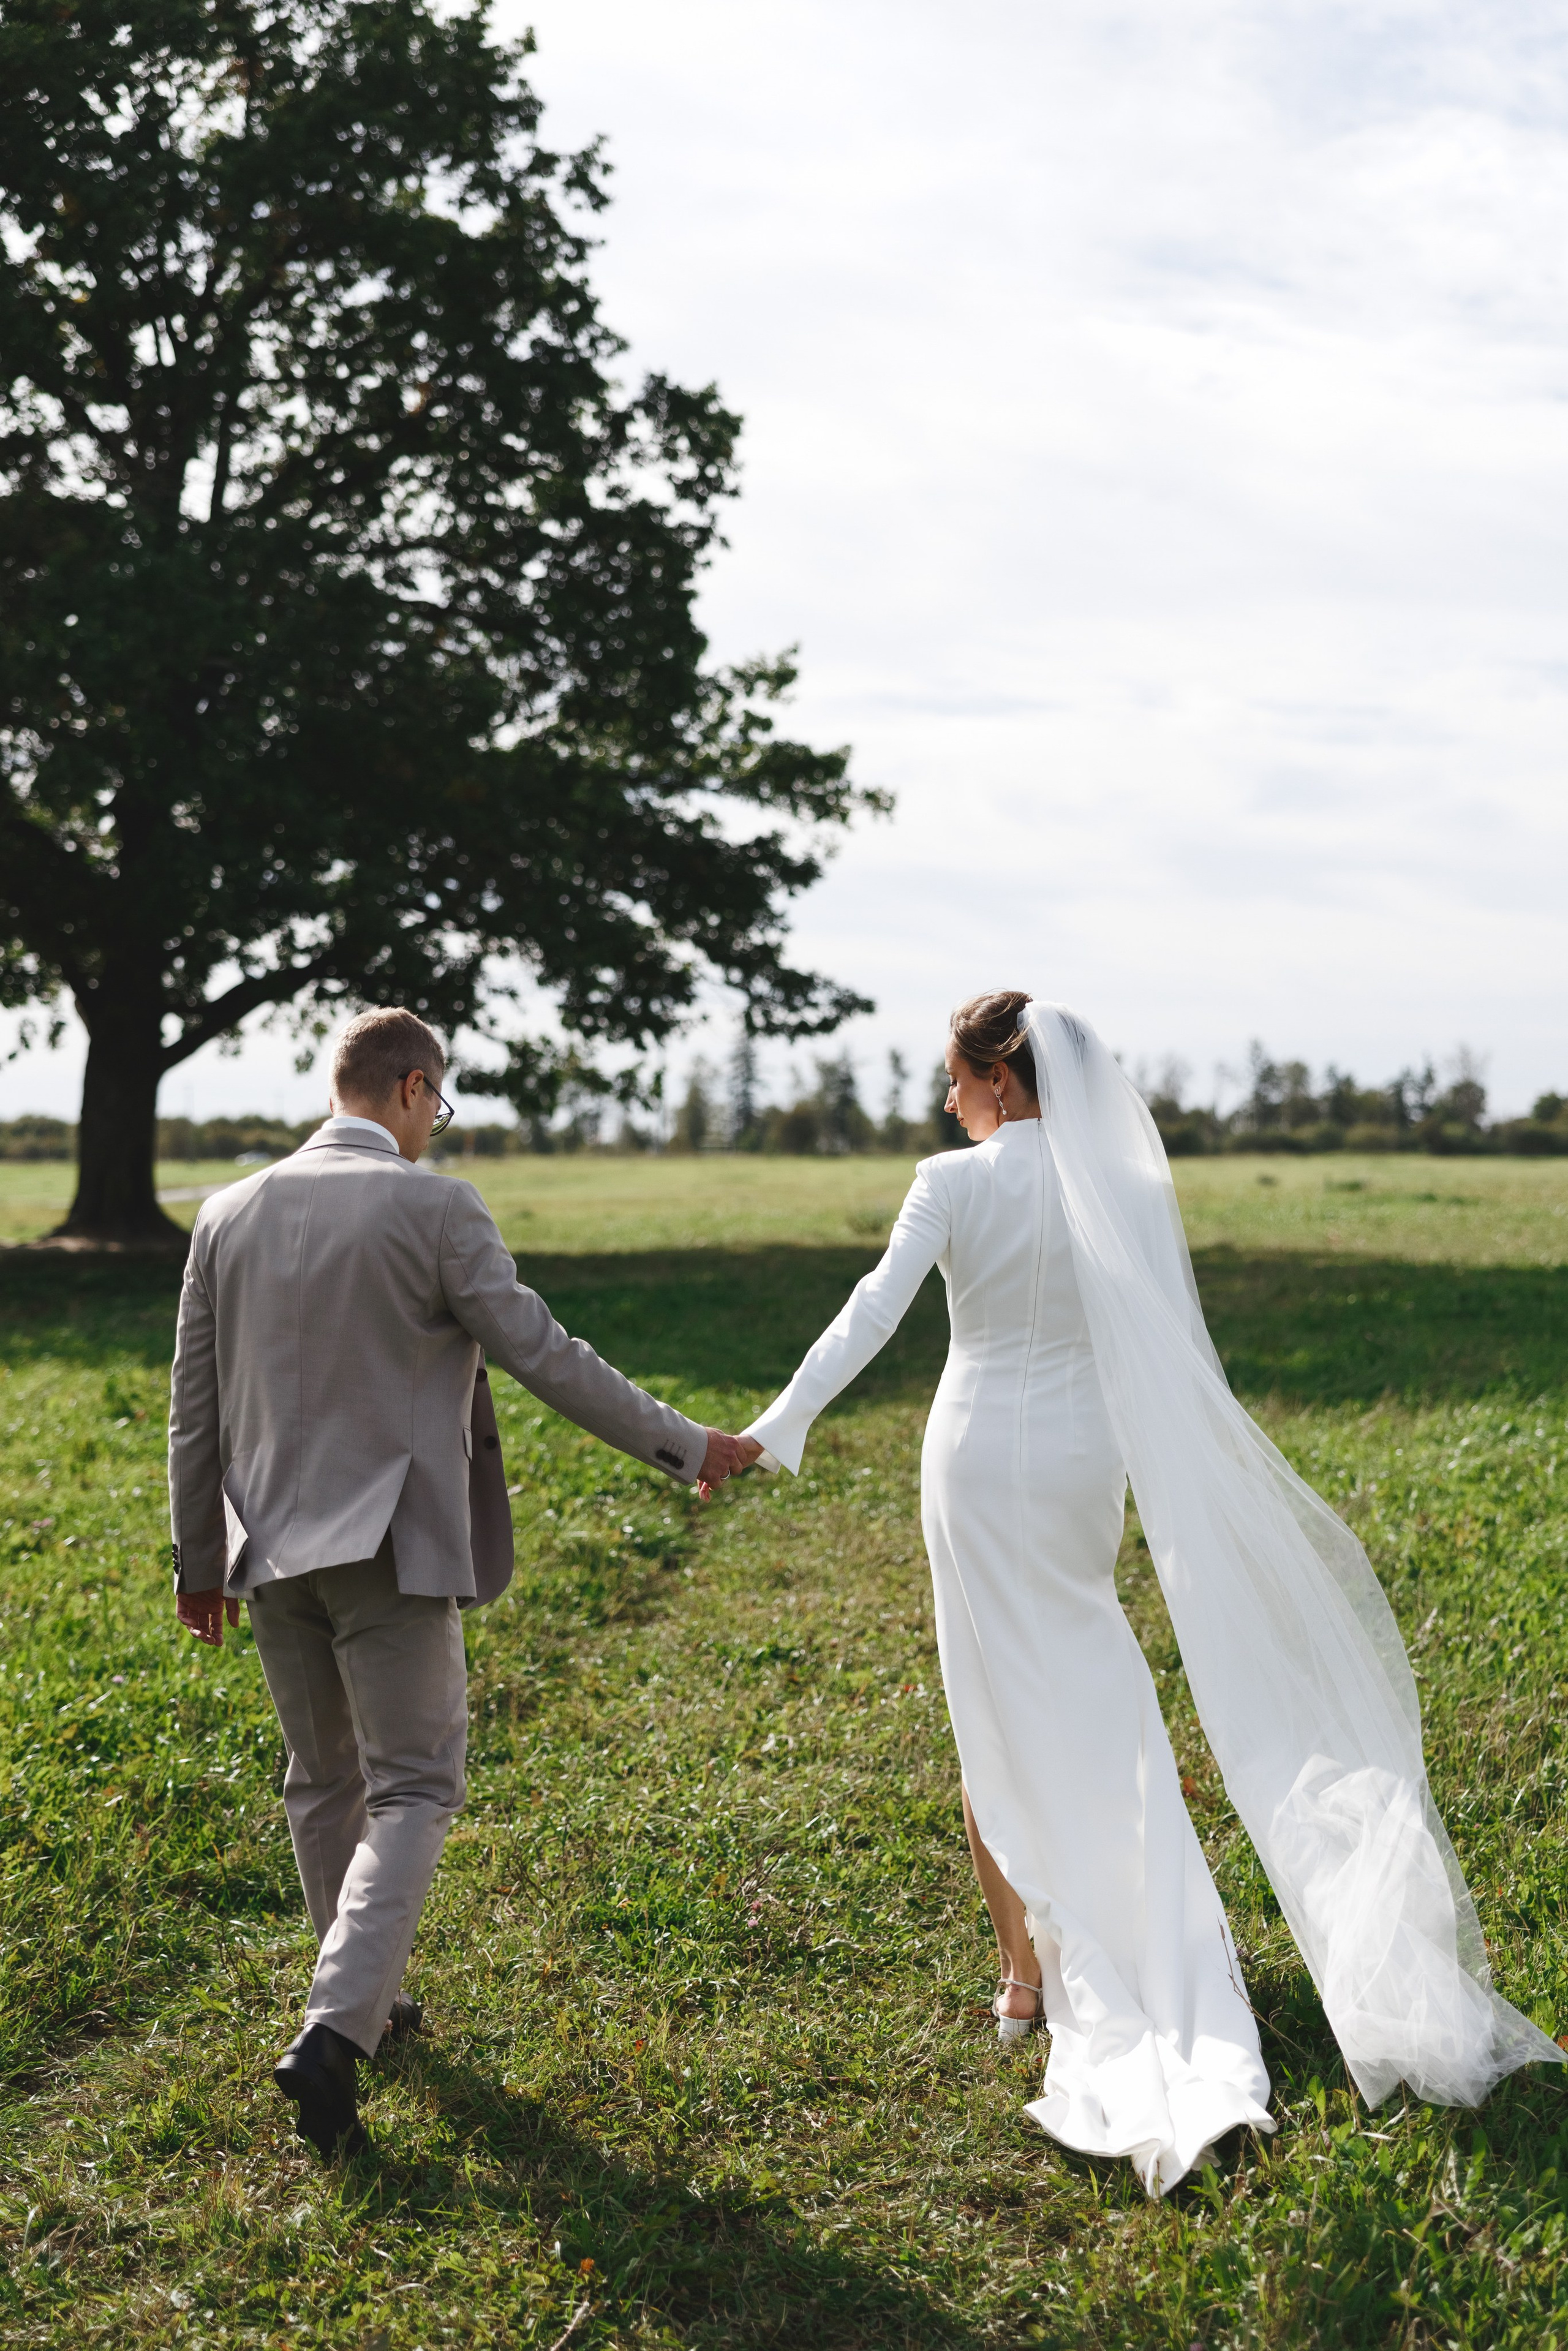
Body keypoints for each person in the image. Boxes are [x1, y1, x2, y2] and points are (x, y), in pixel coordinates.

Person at [744, 992, 1559, 2197]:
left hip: (973, 1459)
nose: (945, 1100)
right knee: (1093, 1679)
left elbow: (872, 1312)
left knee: (991, 1698)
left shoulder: (950, 1180)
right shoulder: (1122, 1187)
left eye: (957, 1079)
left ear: (1002, 1083)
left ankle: (1024, 1974)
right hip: (1082, 1461)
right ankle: (1142, 1940)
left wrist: (773, 1429)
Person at [168, 1006, 756, 2159]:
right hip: (389, 1548)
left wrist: (201, 1561)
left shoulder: (225, 1212)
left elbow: (196, 1406)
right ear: (410, 1087)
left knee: (321, 1780)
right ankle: (336, 2030)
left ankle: (364, 2001)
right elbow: (543, 1350)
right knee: (415, 1788)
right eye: (437, 1104)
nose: (437, 1125)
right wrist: (688, 1442)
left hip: (265, 1548)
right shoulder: (434, 1206)